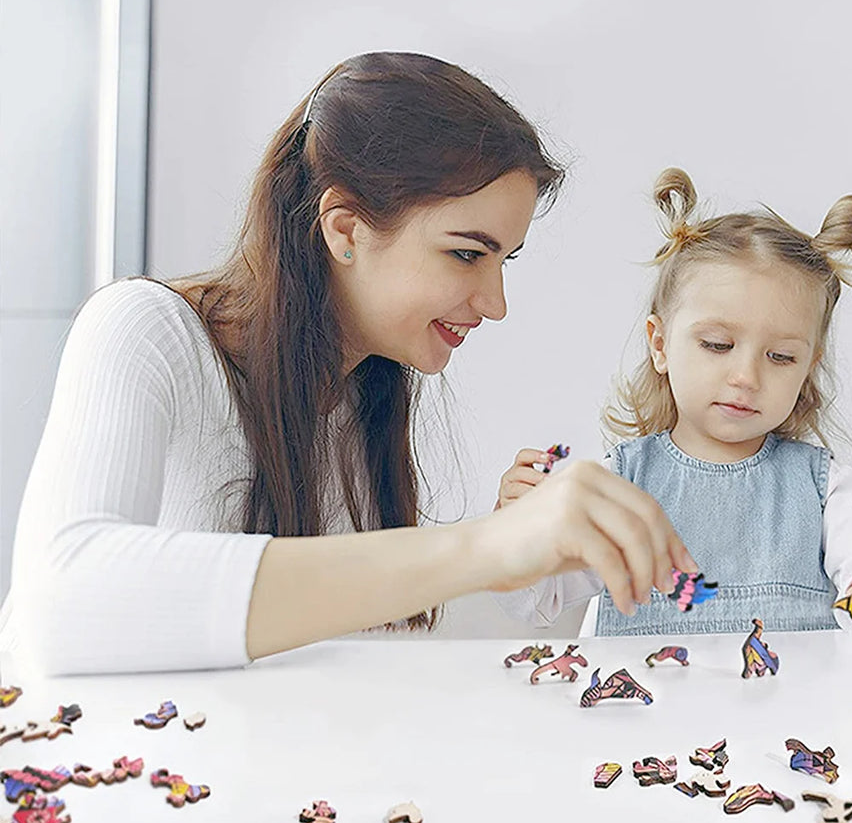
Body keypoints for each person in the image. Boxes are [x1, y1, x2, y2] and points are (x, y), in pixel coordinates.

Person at [0, 54, 695, 676]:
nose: (495, 302)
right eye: (466, 253)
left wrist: (529, 557)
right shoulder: (144, 330)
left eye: (503, 260)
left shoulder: (366, 389)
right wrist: (484, 547)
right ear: (345, 228)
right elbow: (62, 600)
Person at [494, 167, 852, 644]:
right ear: (660, 344)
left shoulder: (827, 489)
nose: (746, 377)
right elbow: (533, 602)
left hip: (793, 717)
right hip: (644, 715)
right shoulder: (619, 485)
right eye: (716, 344)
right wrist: (516, 528)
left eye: (780, 357)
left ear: (807, 367)